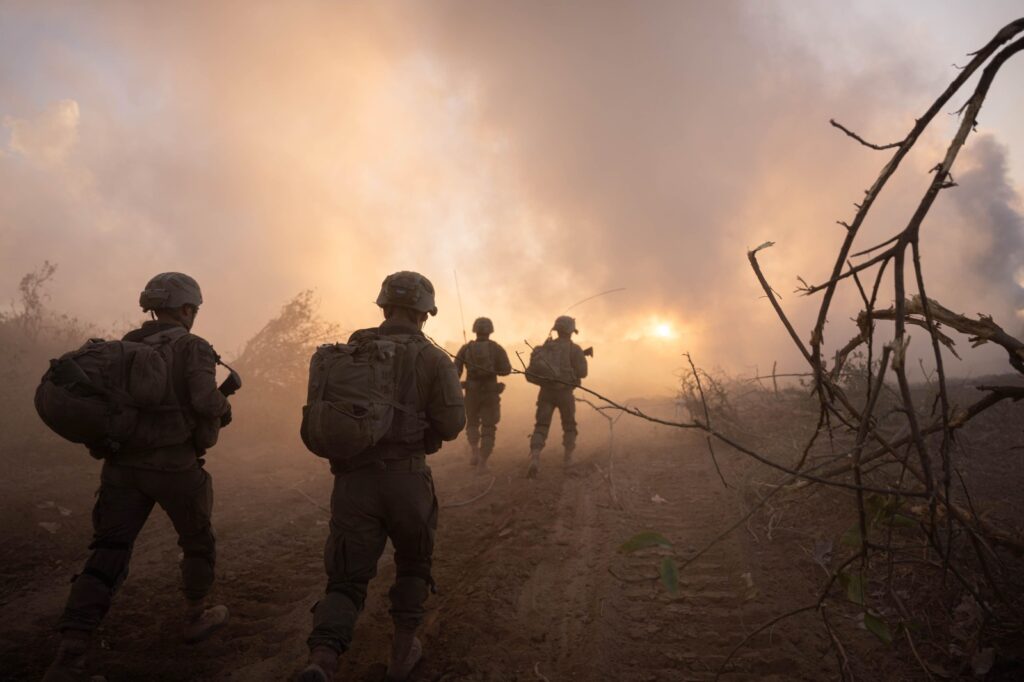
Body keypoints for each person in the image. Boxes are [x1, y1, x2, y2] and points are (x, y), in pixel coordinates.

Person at [43, 272, 233, 682]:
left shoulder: (127, 344)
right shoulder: (193, 346)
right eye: (194, 310)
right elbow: (204, 399)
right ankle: (195, 616)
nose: (194, 316)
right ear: (185, 309)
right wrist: (223, 403)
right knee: (198, 542)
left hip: (123, 468)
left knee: (108, 550)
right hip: (175, 468)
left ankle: (70, 654)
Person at [301, 271, 466, 682]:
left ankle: (322, 658)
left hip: (354, 482)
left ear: (383, 306)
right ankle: (401, 652)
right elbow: (451, 426)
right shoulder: (433, 358)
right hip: (408, 482)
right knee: (413, 564)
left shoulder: (353, 351)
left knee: (345, 579)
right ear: (424, 313)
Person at [527, 315, 588, 478]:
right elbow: (583, 372)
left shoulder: (544, 349)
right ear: (571, 331)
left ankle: (535, 457)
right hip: (565, 395)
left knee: (541, 426)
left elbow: (530, 373)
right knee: (569, 425)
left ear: (556, 329)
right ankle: (568, 460)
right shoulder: (574, 349)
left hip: (546, 393)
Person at [453, 317, 512, 472]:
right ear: (490, 330)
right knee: (489, 426)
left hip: (471, 393)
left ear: (475, 330)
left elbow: (454, 372)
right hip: (490, 393)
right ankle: (483, 462)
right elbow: (506, 370)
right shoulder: (496, 348)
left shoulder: (466, 348)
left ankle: (474, 451)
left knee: (471, 423)